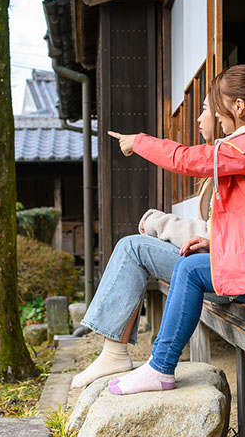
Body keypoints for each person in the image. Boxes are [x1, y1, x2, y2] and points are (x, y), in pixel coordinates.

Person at [105, 63, 245, 395]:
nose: (214, 115)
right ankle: (152, 364)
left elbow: (189, 160)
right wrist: (214, 244)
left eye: (215, 106)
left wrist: (140, 141)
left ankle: (160, 367)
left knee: (190, 269)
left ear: (238, 106)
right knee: (192, 264)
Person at [70, 97, 220, 389]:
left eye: (204, 110)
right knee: (133, 246)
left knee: (133, 247)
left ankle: (116, 354)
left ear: (228, 109)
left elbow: (214, 232)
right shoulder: (231, 155)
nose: (199, 118)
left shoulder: (234, 155)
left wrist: (160, 223)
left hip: (229, 273)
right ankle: (113, 352)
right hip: (220, 264)